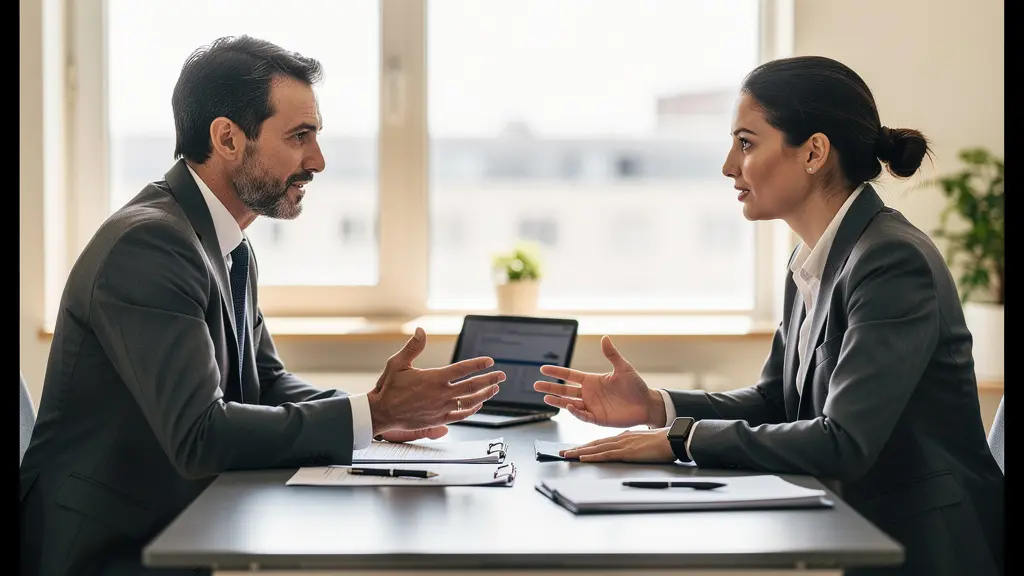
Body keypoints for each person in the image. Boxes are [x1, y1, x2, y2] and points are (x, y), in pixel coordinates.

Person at [19, 35, 505, 576]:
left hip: (178, 524)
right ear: (227, 138)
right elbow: (200, 434)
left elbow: (264, 382)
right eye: (300, 137)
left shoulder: (227, 243)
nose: (317, 161)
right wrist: (372, 413)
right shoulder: (150, 246)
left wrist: (375, 419)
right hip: (102, 551)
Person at [535, 56, 1003, 576]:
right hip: (851, 526)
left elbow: (842, 442)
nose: (729, 166)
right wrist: (654, 405)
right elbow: (777, 401)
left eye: (747, 143)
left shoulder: (892, 262)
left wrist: (680, 439)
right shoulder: (812, 259)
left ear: (814, 152)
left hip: (927, 547)